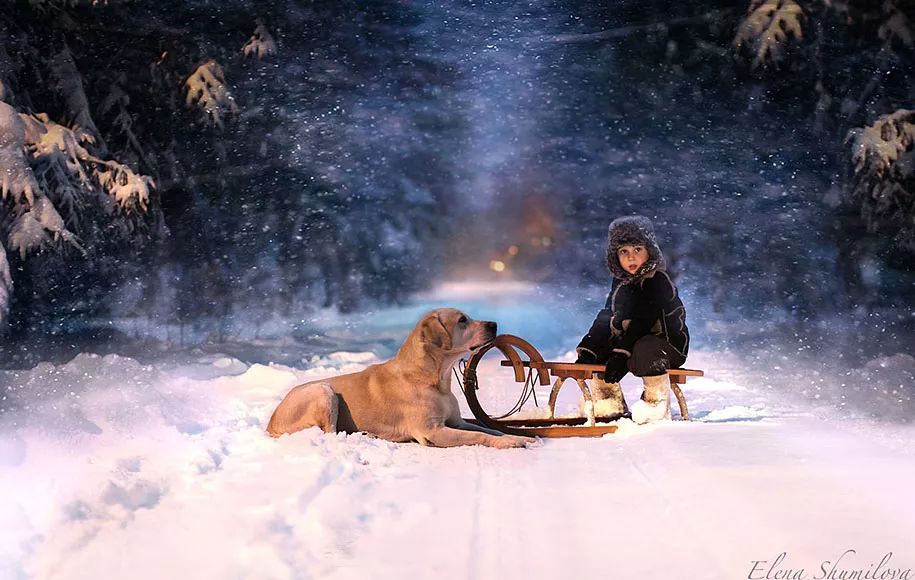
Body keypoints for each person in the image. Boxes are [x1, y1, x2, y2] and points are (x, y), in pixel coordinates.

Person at [575, 215, 689, 424]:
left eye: (638, 250)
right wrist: (590, 349)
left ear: (650, 252)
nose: (631, 258)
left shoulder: (657, 280)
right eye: (623, 252)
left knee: (645, 347)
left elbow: (644, 320)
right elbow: (607, 317)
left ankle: (655, 404)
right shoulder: (620, 284)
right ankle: (608, 402)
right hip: (633, 343)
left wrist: (621, 353)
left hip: (666, 345)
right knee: (603, 348)